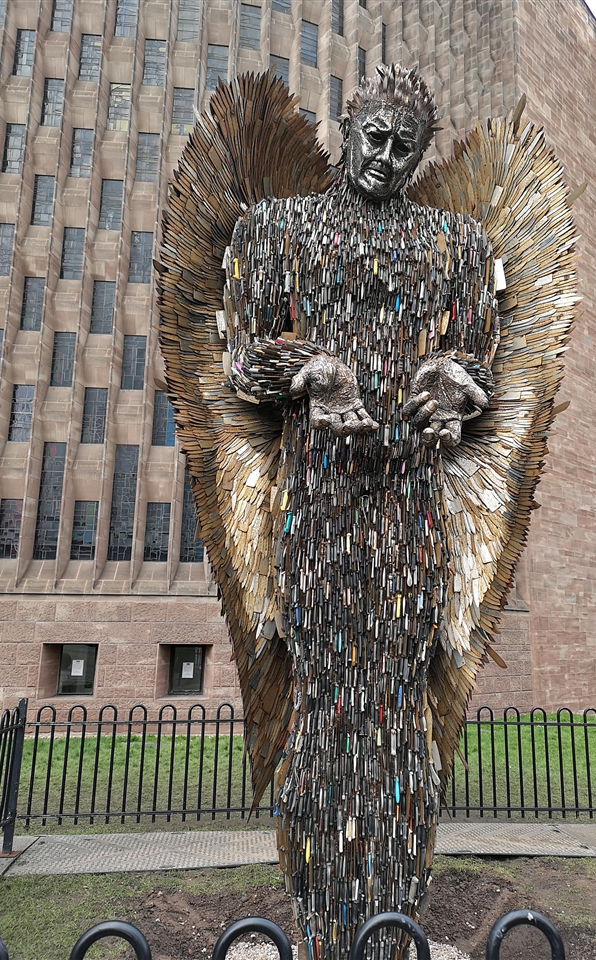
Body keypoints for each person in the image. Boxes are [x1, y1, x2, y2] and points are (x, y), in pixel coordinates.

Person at [223, 64, 498, 960]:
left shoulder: (455, 246)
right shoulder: (279, 229)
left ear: (420, 155)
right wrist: (310, 371)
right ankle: (323, 924)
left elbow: (480, 365)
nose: (384, 157)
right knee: (327, 703)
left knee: (397, 708)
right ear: (349, 128)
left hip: (410, 510)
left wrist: (453, 382)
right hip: (319, 509)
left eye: (403, 147)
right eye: (373, 138)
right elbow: (242, 358)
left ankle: (392, 922)